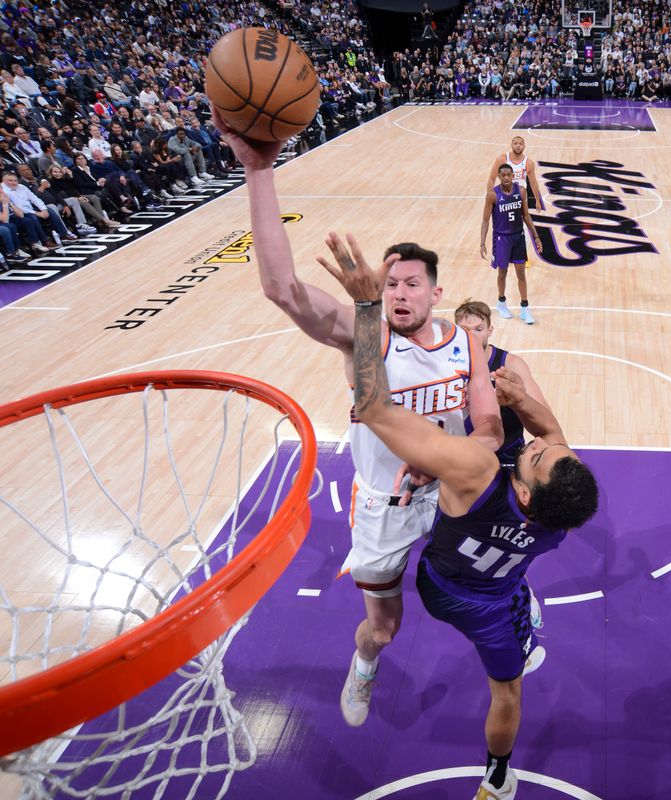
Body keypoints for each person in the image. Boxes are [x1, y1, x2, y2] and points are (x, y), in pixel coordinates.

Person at [211, 107, 503, 727]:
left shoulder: (464, 341)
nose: (398, 293)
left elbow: (491, 428)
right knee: (384, 628)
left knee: (508, 552)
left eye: (410, 284)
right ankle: (363, 665)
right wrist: (260, 170)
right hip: (384, 506)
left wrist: (453, 462)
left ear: (435, 292)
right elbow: (282, 288)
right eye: (388, 283)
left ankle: (519, 611)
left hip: (451, 492)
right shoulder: (363, 336)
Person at [322, 243, 598, 800]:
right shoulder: (557, 520)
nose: (545, 446)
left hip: (444, 586)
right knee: (508, 689)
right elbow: (555, 439)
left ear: (520, 486)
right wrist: (529, 413)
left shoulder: (472, 472)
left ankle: (367, 660)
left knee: (385, 626)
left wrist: (368, 309)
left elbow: (374, 409)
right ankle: (498, 776)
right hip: (498, 593)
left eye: (538, 457)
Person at [454, 299, 549, 465]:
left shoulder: (511, 364)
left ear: (490, 330)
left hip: (508, 458)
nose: (472, 335)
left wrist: (519, 401)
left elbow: (545, 419)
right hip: (464, 458)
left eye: (478, 329)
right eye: (465, 330)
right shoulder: (445, 366)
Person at [481, 164, 541, 325]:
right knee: (503, 272)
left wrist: (536, 236)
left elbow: (526, 216)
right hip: (501, 238)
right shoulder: (492, 195)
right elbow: (486, 220)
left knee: (521, 274)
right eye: (503, 175)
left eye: (509, 174)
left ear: (513, 176)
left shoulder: (521, 191)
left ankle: (524, 308)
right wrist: (482, 242)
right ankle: (501, 302)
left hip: (518, 237)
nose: (506, 177)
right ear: (499, 176)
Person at [486, 136, 544, 212]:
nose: (518, 145)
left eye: (520, 143)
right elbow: (492, 178)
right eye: (515, 143)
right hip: (505, 196)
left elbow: (533, 183)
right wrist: (490, 196)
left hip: (521, 197)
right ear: (511, 145)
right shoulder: (502, 159)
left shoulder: (528, 163)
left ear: (524, 146)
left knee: (521, 222)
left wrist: (537, 200)